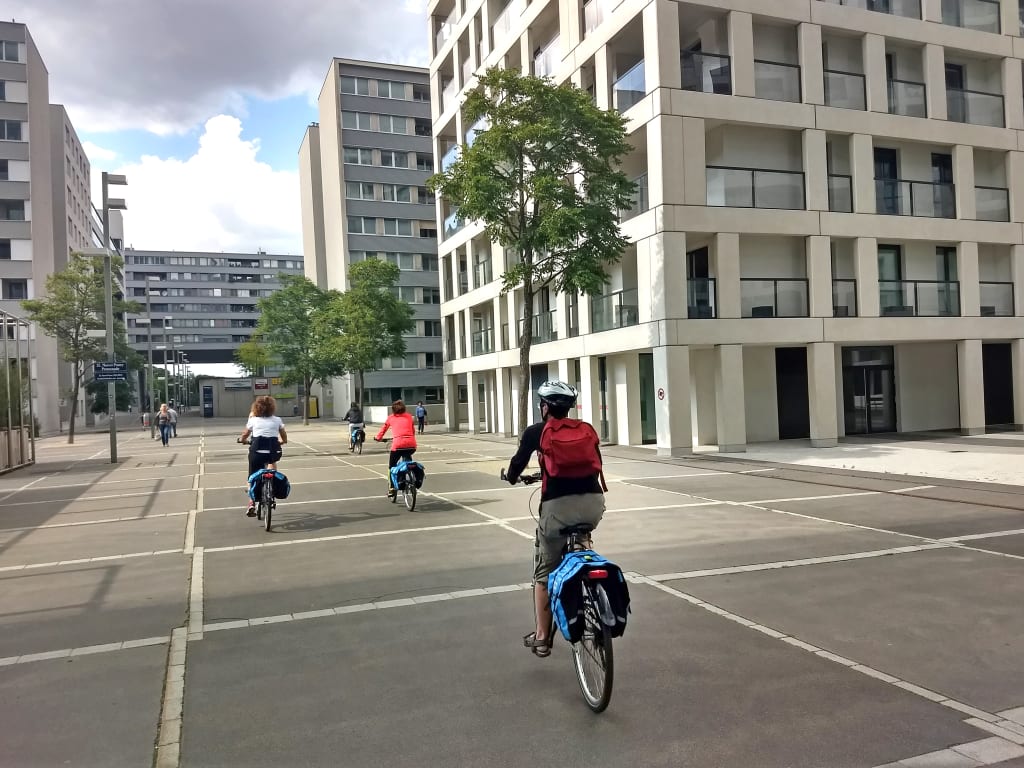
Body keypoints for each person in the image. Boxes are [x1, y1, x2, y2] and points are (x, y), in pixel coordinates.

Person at [504, 380, 606, 658]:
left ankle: (541, 637)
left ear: (545, 407)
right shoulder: (586, 430)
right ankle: (585, 570)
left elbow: (517, 464)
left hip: (557, 509)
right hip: (593, 504)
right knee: (581, 540)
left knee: (544, 573)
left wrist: (510, 477)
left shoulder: (536, 432)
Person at [239, 395, 288, 516]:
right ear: (272, 408)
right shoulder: (277, 420)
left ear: (256, 408)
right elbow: (284, 436)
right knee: (272, 463)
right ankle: (271, 483)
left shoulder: (253, 420)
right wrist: (282, 441)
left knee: (251, 475)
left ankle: (251, 504)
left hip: (257, 453)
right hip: (273, 452)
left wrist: (242, 440)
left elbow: (245, 434)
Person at [374, 399, 417, 499]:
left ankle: (392, 488)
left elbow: (383, 429)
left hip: (398, 445)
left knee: (391, 466)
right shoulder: (409, 417)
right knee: (407, 458)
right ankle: (411, 478)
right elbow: (413, 430)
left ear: (393, 409)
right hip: (411, 444)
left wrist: (378, 438)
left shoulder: (391, 418)